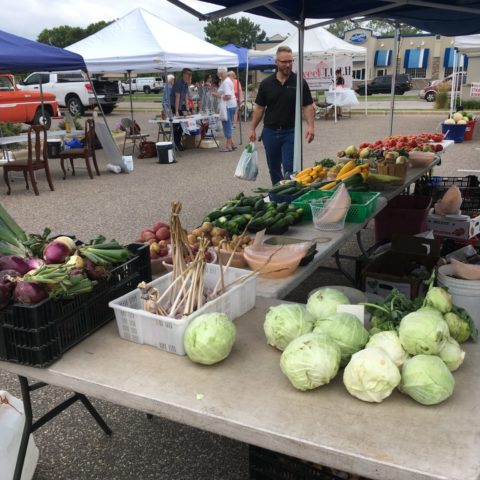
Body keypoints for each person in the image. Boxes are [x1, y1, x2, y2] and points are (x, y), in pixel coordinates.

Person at [249, 46, 315, 185]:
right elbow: (260, 108)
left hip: (290, 132)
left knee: (290, 169)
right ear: (276, 62)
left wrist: (310, 126)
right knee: (273, 168)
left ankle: (290, 199)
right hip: (270, 132)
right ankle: (278, 197)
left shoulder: (299, 82)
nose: (288, 65)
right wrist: (252, 128)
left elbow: (307, 105)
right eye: (284, 62)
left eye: (290, 61)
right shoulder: (266, 84)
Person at [213, 67, 237, 152]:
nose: (218, 75)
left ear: (221, 74)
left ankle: (228, 146)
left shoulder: (226, 82)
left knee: (227, 125)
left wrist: (217, 95)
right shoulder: (227, 81)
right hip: (231, 105)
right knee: (228, 124)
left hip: (228, 106)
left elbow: (228, 96)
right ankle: (232, 144)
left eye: (218, 74)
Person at [170, 68, 192, 150]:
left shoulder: (186, 84)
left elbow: (185, 97)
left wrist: (188, 109)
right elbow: (177, 98)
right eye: (188, 74)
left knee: (182, 125)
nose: (189, 76)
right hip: (174, 106)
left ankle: (178, 144)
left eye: (190, 75)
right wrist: (176, 111)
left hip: (180, 106)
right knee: (177, 126)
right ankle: (176, 145)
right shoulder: (179, 83)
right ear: (184, 74)